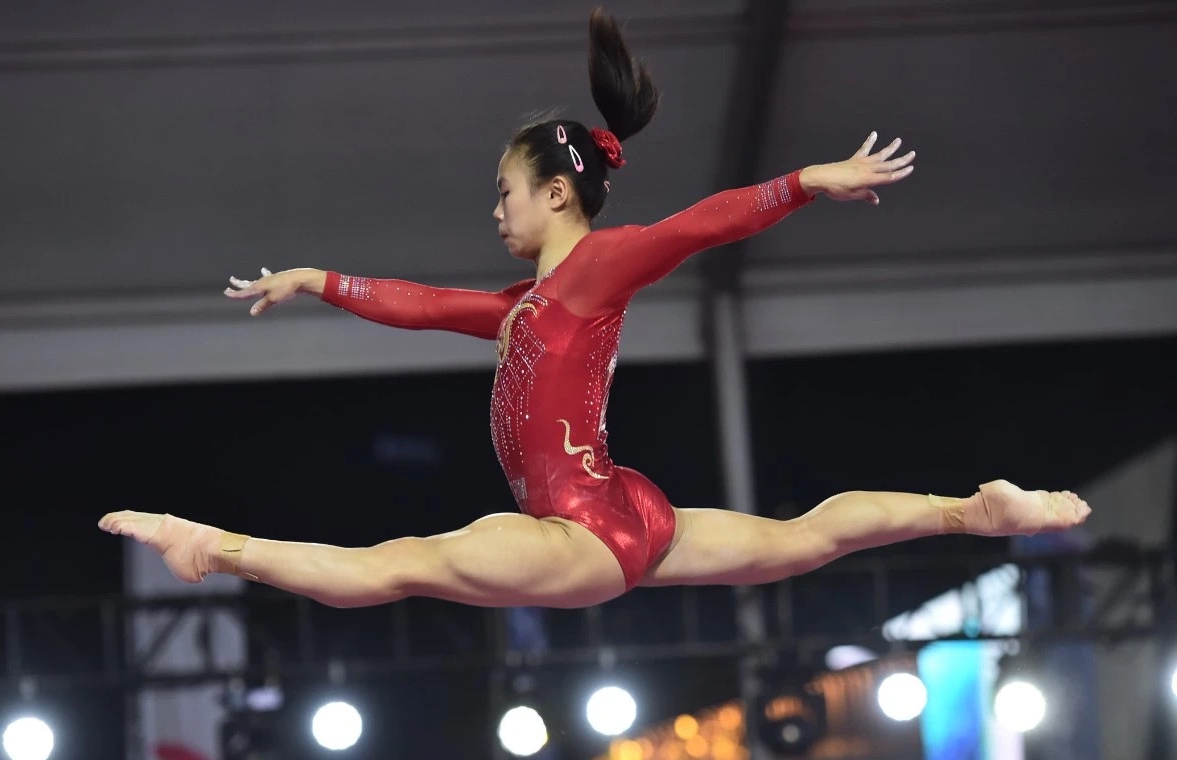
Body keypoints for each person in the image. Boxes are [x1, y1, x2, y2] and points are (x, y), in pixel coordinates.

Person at [99, 8, 1090, 609]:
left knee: (395, 567)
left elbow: (697, 225)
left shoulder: (596, 268)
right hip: (623, 510)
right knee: (799, 540)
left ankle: (209, 546)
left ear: (556, 193)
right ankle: (972, 512)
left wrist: (801, 181)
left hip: (577, 533)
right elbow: (421, 304)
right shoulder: (526, 307)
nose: (496, 211)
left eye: (505, 193)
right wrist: (315, 277)